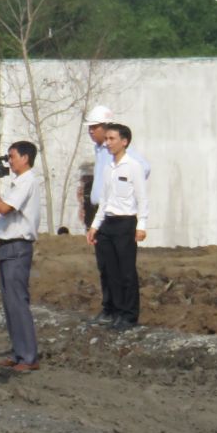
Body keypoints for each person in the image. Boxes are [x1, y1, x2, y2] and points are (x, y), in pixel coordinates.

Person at [81, 105, 150, 321]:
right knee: (108, 268)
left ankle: (128, 314)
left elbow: (142, 193)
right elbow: (105, 197)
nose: (92, 132)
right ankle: (113, 310)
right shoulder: (107, 161)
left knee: (126, 271)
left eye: (95, 128)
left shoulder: (131, 162)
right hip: (106, 218)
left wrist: (141, 225)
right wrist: (95, 225)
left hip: (125, 219)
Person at [0, 141, 42, 371]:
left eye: (12, 157)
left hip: (17, 246)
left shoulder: (27, 181)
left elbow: (4, 208)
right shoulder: (17, 183)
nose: (9, 161)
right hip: (7, 244)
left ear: (25, 158)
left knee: (17, 301)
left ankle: (28, 356)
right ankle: (19, 351)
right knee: (9, 302)